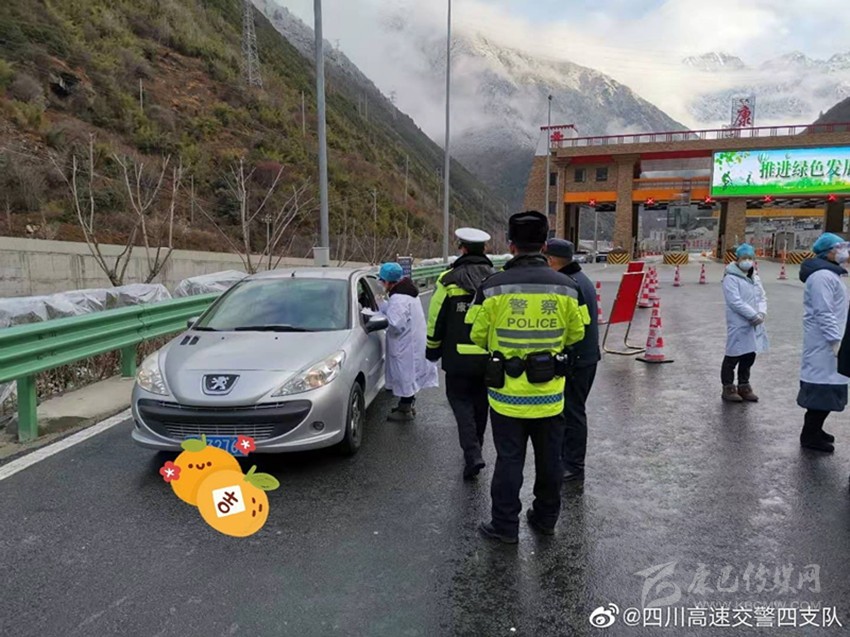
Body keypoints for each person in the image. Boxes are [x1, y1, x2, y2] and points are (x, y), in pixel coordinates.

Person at [466, 211, 585, 543]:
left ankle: (505, 526)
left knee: (508, 460)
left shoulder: (492, 287)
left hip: (506, 396)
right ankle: (545, 519)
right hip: (550, 395)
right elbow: (577, 333)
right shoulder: (568, 287)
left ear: (511, 245)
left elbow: (477, 335)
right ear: (545, 245)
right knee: (550, 460)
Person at [426, 228, 496, 480]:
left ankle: (472, 453)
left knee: (460, 402)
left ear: (462, 248)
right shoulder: (496, 280)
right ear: (484, 249)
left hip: (457, 358)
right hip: (488, 357)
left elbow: (436, 319)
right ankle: (476, 447)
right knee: (481, 404)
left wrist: (432, 349)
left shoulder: (448, 280)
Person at [544, 238, 598, 482]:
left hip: (578, 359)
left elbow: (576, 328)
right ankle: (568, 460)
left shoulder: (570, 285)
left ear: (552, 260)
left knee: (573, 412)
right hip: (586, 356)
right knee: (572, 411)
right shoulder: (580, 279)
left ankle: (574, 465)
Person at [798, 233, 850, 453]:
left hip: (829, 343)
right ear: (827, 252)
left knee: (827, 391)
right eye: (839, 247)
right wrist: (835, 341)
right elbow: (824, 312)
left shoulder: (830, 274)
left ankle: (816, 430)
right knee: (821, 391)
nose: (843, 251)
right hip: (825, 345)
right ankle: (809, 435)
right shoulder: (822, 277)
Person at [377, 262, 439, 422]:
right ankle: (407, 404)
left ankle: (405, 409)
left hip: (405, 345)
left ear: (388, 281)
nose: (381, 284)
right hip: (411, 342)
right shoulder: (407, 293)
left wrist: (379, 316)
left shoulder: (399, 298)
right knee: (409, 374)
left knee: (405, 375)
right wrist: (384, 306)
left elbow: (395, 324)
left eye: (382, 281)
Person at [720, 243, 769, 403]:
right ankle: (728, 387)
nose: (747, 261)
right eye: (744, 258)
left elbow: (762, 297)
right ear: (737, 259)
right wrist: (752, 315)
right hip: (739, 322)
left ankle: (744, 385)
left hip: (754, 322)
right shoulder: (730, 278)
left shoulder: (755, 277)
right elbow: (735, 301)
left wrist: (761, 312)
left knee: (749, 355)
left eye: (750, 258)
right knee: (733, 355)